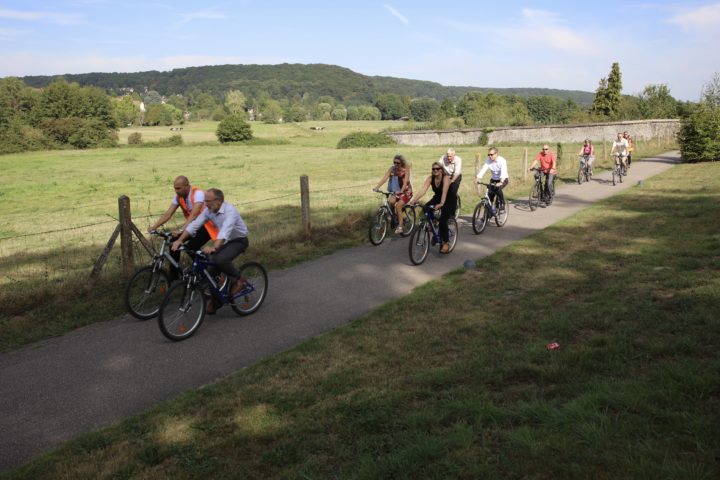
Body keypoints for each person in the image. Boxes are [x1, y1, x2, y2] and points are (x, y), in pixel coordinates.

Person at [171, 188, 249, 314]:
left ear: (218, 201)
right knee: (210, 272)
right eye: (205, 201)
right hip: (226, 242)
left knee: (219, 259)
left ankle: (238, 279)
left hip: (239, 240)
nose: (205, 204)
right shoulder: (209, 211)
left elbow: (225, 231)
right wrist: (180, 240)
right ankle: (216, 300)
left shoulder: (230, 211)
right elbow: (195, 224)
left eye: (208, 201)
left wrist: (214, 248)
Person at [148, 175, 218, 279]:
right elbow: (168, 214)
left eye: (178, 188)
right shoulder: (178, 197)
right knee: (173, 242)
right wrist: (154, 227)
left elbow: (194, 215)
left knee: (191, 247)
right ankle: (175, 277)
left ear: (187, 186)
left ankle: (208, 272)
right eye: (175, 188)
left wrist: (182, 229)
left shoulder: (197, 194)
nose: (176, 191)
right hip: (194, 225)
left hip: (208, 226)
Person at [408, 161, 455, 253]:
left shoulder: (446, 178)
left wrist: (441, 203)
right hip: (437, 197)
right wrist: (414, 200)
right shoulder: (431, 178)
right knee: (426, 208)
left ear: (441, 170)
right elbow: (423, 190)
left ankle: (446, 242)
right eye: (433, 169)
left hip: (449, 200)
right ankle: (434, 228)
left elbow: (444, 191)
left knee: (442, 221)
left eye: (437, 169)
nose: (435, 170)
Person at [373, 154, 413, 234]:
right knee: (390, 202)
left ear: (402, 163)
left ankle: (400, 226)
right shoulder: (392, 169)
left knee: (398, 206)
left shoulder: (406, 169)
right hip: (396, 191)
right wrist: (377, 187)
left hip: (406, 191)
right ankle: (395, 218)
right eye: (394, 162)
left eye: (398, 163)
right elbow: (384, 178)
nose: (396, 164)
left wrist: (401, 191)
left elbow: (405, 182)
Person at [474, 147, 509, 213]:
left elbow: (503, 171)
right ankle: (487, 216)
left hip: (503, 179)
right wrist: (478, 178)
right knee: (490, 195)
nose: (490, 156)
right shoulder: (488, 160)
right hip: (494, 179)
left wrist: (501, 182)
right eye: (489, 155)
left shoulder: (502, 161)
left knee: (498, 189)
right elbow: (483, 169)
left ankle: (502, 203)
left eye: (491, 154)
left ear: (496, 154)